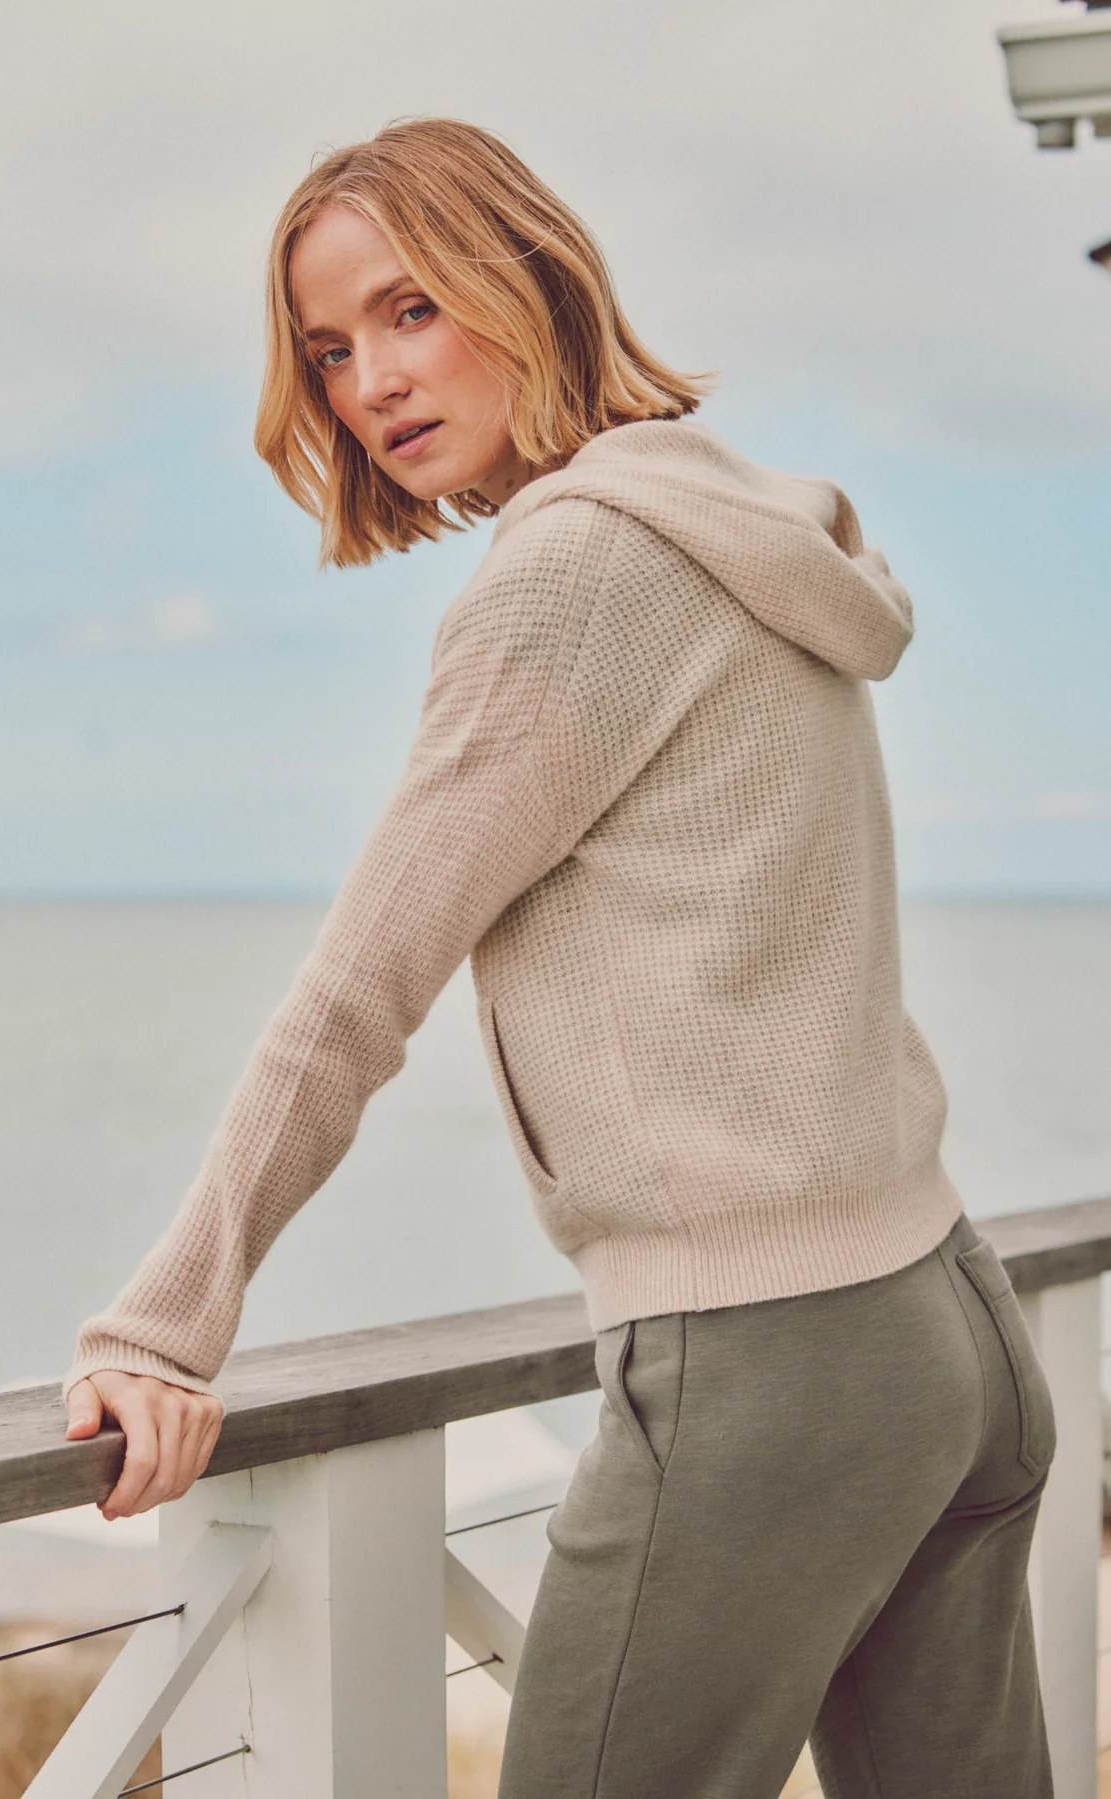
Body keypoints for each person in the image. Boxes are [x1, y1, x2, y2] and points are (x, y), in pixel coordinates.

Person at [62, 116, 1057, 1798]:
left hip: (767, 1366)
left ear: (526, 276)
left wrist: (163, 1325)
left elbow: (357, 995)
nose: (372, 379)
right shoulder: (745, 528)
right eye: (329, 347)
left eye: (411, 310)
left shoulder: (576, 580)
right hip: (944, 1326)